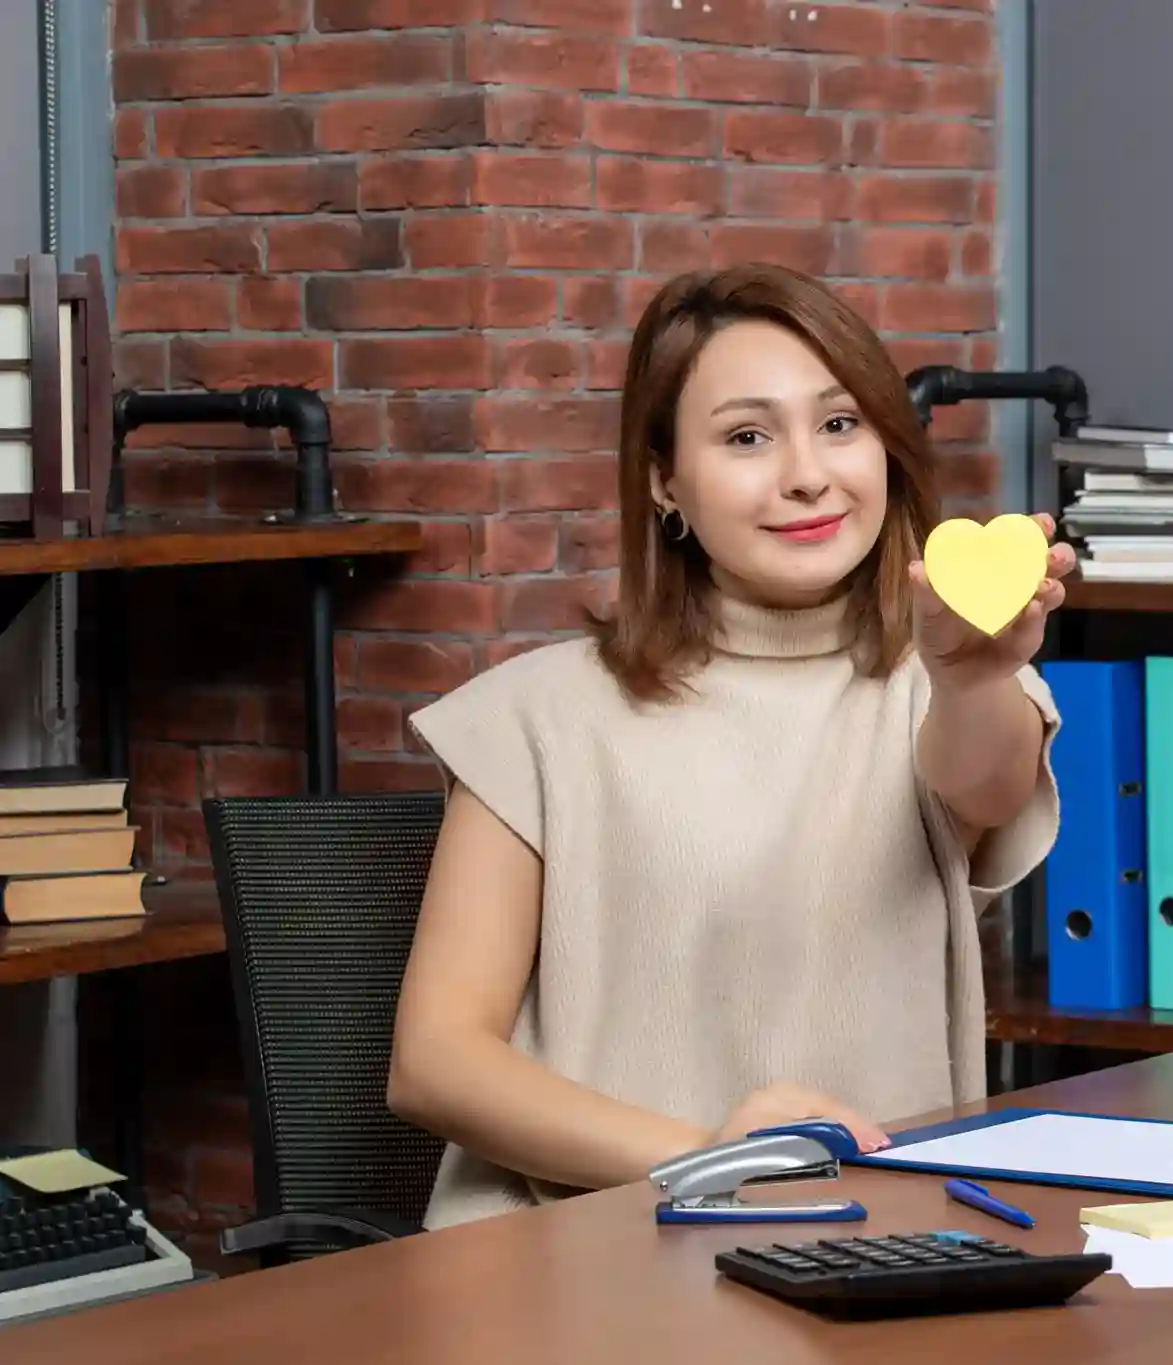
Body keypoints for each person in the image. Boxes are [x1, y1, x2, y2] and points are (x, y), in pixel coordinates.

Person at [386, 263, 1072, 1229]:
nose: (807, 474)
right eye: (748, 436)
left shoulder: (954, 687)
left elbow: (985, 788)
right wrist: (716, 1161)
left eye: (840, 424)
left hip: (871, 1247)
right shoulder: (532, 716)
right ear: (664, 480)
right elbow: (434, 1063)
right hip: (577, 1243)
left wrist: (969, 676)